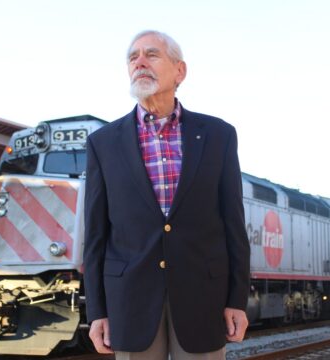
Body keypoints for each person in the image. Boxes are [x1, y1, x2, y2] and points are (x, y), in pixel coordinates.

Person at [83, 30, 250, 360]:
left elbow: (234, 225)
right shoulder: (103, 143)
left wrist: (237, 300)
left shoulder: (219, 135)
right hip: (129, 299)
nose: (139, 62)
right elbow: (96, 235)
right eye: (133, 57)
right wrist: (97, 311)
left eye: (151, 54)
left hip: (203, 297)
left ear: (180, 71)